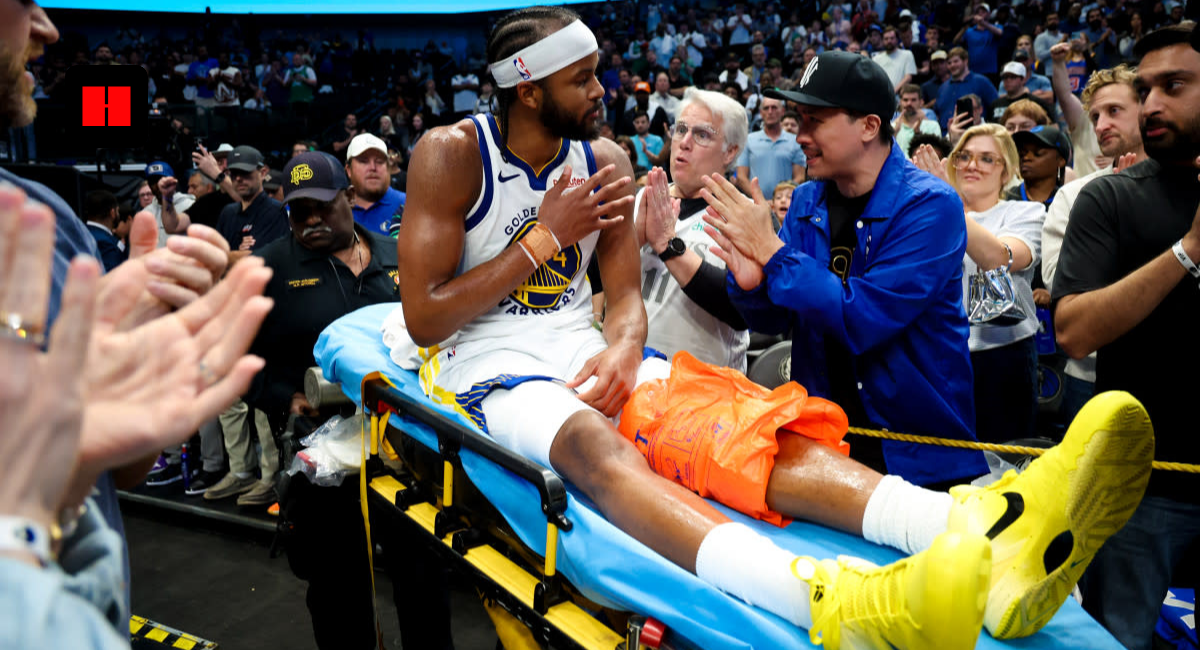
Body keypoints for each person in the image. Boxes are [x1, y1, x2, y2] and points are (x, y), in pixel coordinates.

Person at [399, 15, 1148, 646]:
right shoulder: (451, 153)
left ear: (867, 126)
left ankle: (982, 520)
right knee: (599, 449)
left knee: (746, 420)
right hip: (486, 361)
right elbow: (423, 315)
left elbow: (636, 302)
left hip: (891, 431)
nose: (603, 90)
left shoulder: (611, 159)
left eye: (814, 118)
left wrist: (629, 343)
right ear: (528, 88)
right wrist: (548, 240)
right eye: (583, 79)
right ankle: (823, 599)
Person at [1052, 24, 1200, 649]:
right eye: (1145, 89)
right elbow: (1074, 332)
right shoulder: (1108, 199)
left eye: (1174, 86)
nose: (1152, 104)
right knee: (1117, 639)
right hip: (1144, 489)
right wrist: (1189, 251)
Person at [913, 125, 1045, 444]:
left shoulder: (1025, 212)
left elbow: (998, 259)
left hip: (1002, 357)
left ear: (1007, 172)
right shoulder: (929, 212)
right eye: (965, 156)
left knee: (1004, 459)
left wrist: (948, 201)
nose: (973, 165)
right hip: (939, 351)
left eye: (987, 159)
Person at [1040, 64, 1147, 427]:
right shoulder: (1072, 196)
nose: (1100, 125)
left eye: (1114, 111)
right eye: (1095, 115)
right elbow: (1061, 285)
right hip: (1088, 376)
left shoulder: (1186, 185)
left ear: (1146, 108)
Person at [635, 89, 750, 370]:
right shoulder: (641, 199)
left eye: (702, 135)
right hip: (635, 378)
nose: (684, 143)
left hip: (709, 392)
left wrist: (668, 245)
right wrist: (631, 242)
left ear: (730, 151)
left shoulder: (746, 215)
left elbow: (743, 310)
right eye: (681, 129)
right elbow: (602, 288)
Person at [214, 145, 289, 264]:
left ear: (263, 173)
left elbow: (258, 260)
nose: (238, 178)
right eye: (233, 173)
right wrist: (236, 254)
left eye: (245, 172)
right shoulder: (228, 213)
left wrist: (225, 255)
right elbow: (212, 256)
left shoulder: (274, 211)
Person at [1050, 41, 1109, 176]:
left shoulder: (1136, 128)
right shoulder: (1086, 122)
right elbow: (1065, 96)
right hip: (1083, 194)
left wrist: (1117, 160)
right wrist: (1058, 62)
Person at [736, 96, 807, 197]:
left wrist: (780, 200)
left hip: (785, 206)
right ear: (761, 113)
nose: (770, 111)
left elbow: (799, 177)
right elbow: (741, 178)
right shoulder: (748, 140)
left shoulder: (795, 141)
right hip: (755, 205)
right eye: (766, 108)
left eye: (774, 107)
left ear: (782, 111)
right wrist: (761, 200)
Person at [345, 133, 405, 237]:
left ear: (388, 168)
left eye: (379, 161)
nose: (373, 167)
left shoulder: (408, 206)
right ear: (349, 170)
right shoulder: (337, 210)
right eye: (363, 161)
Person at [936, 47, 998, 131]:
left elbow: (995, 106)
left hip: (974, 132)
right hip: (946, 135)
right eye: (949, 63)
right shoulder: (942, 87)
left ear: (965, 61)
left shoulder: (981, 81)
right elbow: (938, 112)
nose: (952, 65)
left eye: (955, 61)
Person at [1006, 126, 1070, 206]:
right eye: (1022, 153)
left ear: (1060, 161)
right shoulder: (1005, 200)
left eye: (1038, 153)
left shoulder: (1069, 202)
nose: (1026, 158)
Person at [893, 84, 943, 159]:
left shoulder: (932, 126)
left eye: (913, 100)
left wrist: (919, 134)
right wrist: (894, 133)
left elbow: (937, 153)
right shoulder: (893, 127)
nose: (909, 103)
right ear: (900, 102)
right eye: (905, 100)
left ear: (921, 102)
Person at [83, 190, 126, 271]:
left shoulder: (79, 233)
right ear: (112, 213)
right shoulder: (107, 243)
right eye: (117, 211)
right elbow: (113, 277)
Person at [873, 25, 917, 93]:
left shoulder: (907, 54)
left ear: (897, 39)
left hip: (900, 97)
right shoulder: (876, 58)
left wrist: (893, 92)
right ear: (882, 40)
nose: (889, 41)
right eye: (886, 39)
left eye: (892, 38)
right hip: (881, 95)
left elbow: (908, 77)